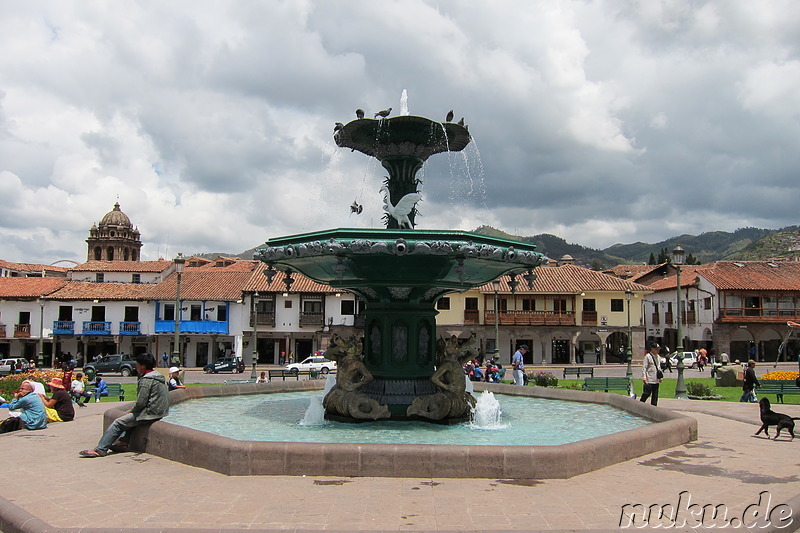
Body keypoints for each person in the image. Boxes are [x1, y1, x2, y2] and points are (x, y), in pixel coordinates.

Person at [79, 353, 169, 458]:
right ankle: (123, 443)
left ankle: (101, 449)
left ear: (143, 366)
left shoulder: (146, 380)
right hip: (160, 411)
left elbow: (141, 402)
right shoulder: (159, 376)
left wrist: (132, 410)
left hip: (150, 413)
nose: (136, 367)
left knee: (118, 422)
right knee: (130, 421)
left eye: (137, 364)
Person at [640, 341, 662, 406]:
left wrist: (660, 376)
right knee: (647, 393)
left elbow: (659, 367)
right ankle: (640, 404)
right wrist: (644, 377)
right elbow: (644, 367)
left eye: (658, 349)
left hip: (656, 379)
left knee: (655, 395)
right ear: (652, 349)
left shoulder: (658, 357)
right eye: (656, 349)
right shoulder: (648, 356)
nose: (658, 351)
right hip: (649, 379)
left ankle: (654, 407)